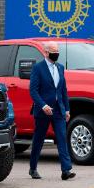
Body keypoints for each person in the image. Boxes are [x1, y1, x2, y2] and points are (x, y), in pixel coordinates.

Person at [28, 41, 75, 180]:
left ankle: (66, 170)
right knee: (39, 140)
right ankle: (33, 168)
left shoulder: (60, 67)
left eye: (57, 51)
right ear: (46, 52)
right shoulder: (38, 68)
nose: (56, 54)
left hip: (58, 110)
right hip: (43, 111)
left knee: (61, 138)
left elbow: (63, 90)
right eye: (53, 51)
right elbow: (33, 91)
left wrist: (67, 109)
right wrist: (43, 106)